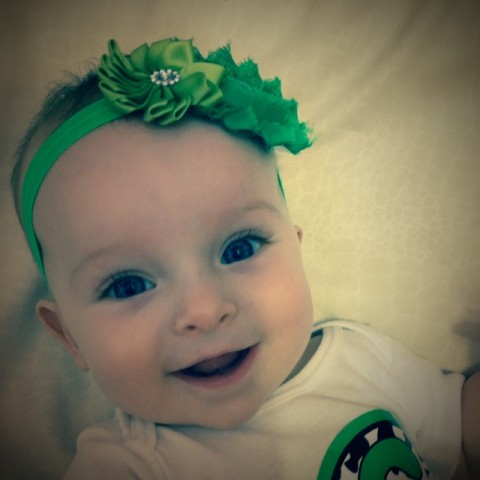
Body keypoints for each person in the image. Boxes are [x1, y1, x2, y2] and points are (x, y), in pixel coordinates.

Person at [10, 37, 480, 480]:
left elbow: (458, 423)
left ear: (296, 246)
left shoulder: (361, 359)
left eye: (240, 249)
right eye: (129, 286)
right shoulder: (127, 464)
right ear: (69, 336)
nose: (204, 310)